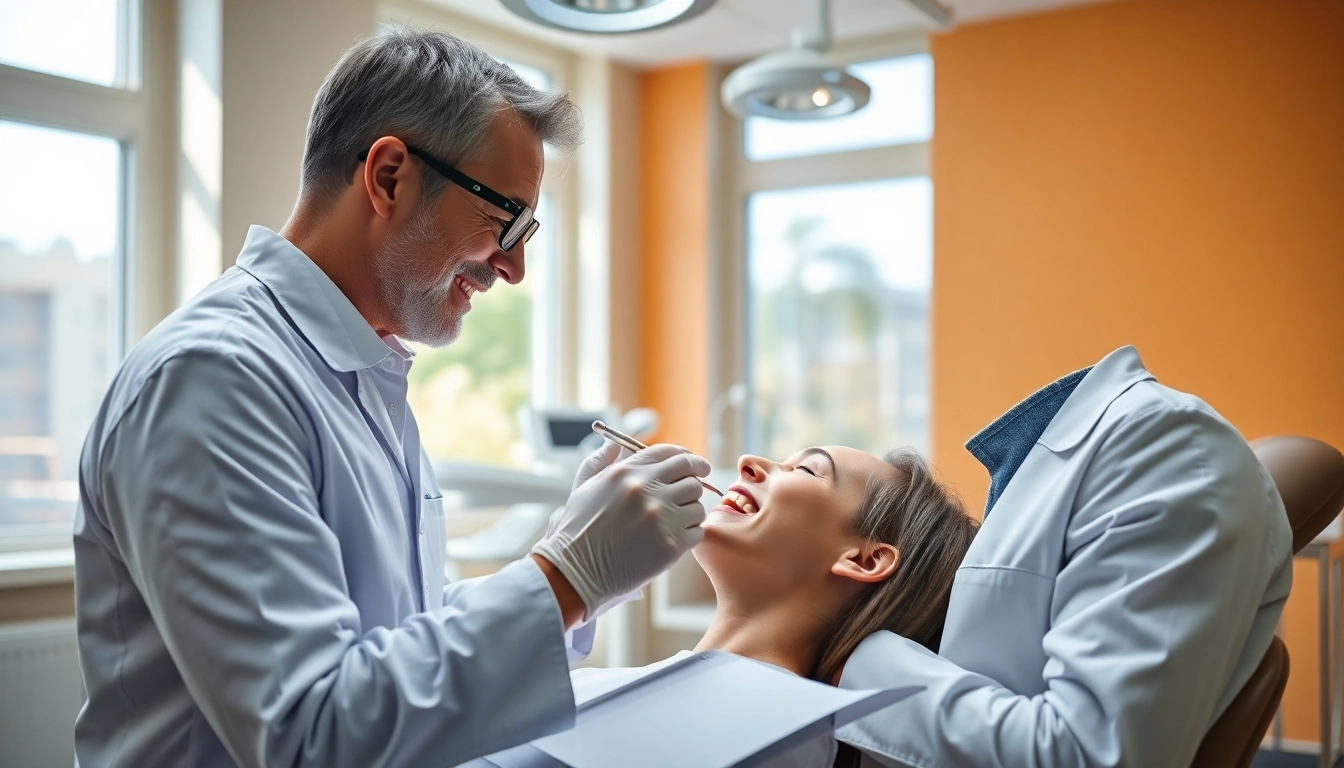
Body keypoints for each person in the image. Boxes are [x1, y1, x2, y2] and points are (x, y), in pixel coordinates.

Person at [71, 28, 712, 768]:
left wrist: (576, 559)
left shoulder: (364, 377)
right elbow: (311, 737)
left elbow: (407, 638)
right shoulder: (214, 379)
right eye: (505, 219)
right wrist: (566, 576)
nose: (514, 267)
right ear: (388, 177)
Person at [833, 345, 1294, 767]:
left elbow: (1094, 753)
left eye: (810, 468)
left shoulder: (1168, 445)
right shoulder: (1041, 476)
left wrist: (848, 665)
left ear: (867, 557)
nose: (770, 462)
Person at [567, 445, 980, 767]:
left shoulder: (778, 733)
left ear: (864, 560)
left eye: (807, 470)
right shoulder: (613, 687)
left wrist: (563, 579)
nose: (747, 462)